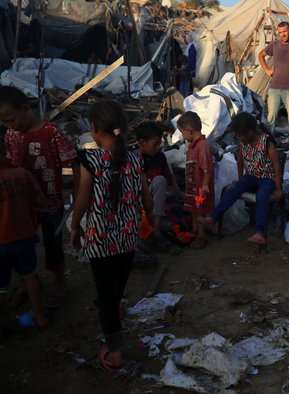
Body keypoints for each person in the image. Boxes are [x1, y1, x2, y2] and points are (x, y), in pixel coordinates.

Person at [70, 100, 153, 372]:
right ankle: (116, 309)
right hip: (128, 240)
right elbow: (148, 203)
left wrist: (74, 226)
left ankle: (115, 355)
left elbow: (81, 201)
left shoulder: (89, 159)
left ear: (93, 129)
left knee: (105, 296)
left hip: (99, 241)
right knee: (116, 287)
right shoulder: (137, 159)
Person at [0, 86, 79, 310]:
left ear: (26, 109)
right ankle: (30, 284)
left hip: (52, 202)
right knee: (26, 247)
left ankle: (60, 283)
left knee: (53, 244)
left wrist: (76, 190)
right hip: (23, 206)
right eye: (5, 123)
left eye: (11, 120)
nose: (9, 126)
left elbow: (73, 161)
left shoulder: (51, 131)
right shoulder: (11, 135)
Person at [199, 112, 282, 246]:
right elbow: (240, 161)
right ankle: (213, 218)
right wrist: (240, 180)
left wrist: (278, 188)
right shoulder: (245, 142)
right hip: (251, 177)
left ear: (249, 133)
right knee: (233, 189)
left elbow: (277, 166)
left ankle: (260, 232)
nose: (237, 138)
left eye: (238, 136)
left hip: (267, 178)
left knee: (262, 196)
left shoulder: (266, 141)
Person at [0, 130, 50, 338]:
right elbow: (41, 201)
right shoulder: (22, 174)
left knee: (1, 286)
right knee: (29, 276)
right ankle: (41, 318)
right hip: (25, 237)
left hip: (1, 242)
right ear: (4, 149)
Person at [135, 121, 184, 251]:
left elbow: (169, 176)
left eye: (160, 143)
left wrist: (178, 191)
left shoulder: (160, 157)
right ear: (142, 143)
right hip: (137, 199)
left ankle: (156, 231)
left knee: (160, 180)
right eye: (155, 144)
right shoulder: (133, 158)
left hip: (153, 196)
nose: (159, 147)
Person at [176, 111, 214, 250]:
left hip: (199, 187)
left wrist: (204, 185)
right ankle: (194, 230)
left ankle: (202, 234)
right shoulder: (193, 146)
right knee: (193, 208)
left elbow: (207, 168)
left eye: (182, 132)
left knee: (199, 209)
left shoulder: (202, 146)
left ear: (189, 130)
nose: (183, 136)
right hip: (192, 185)